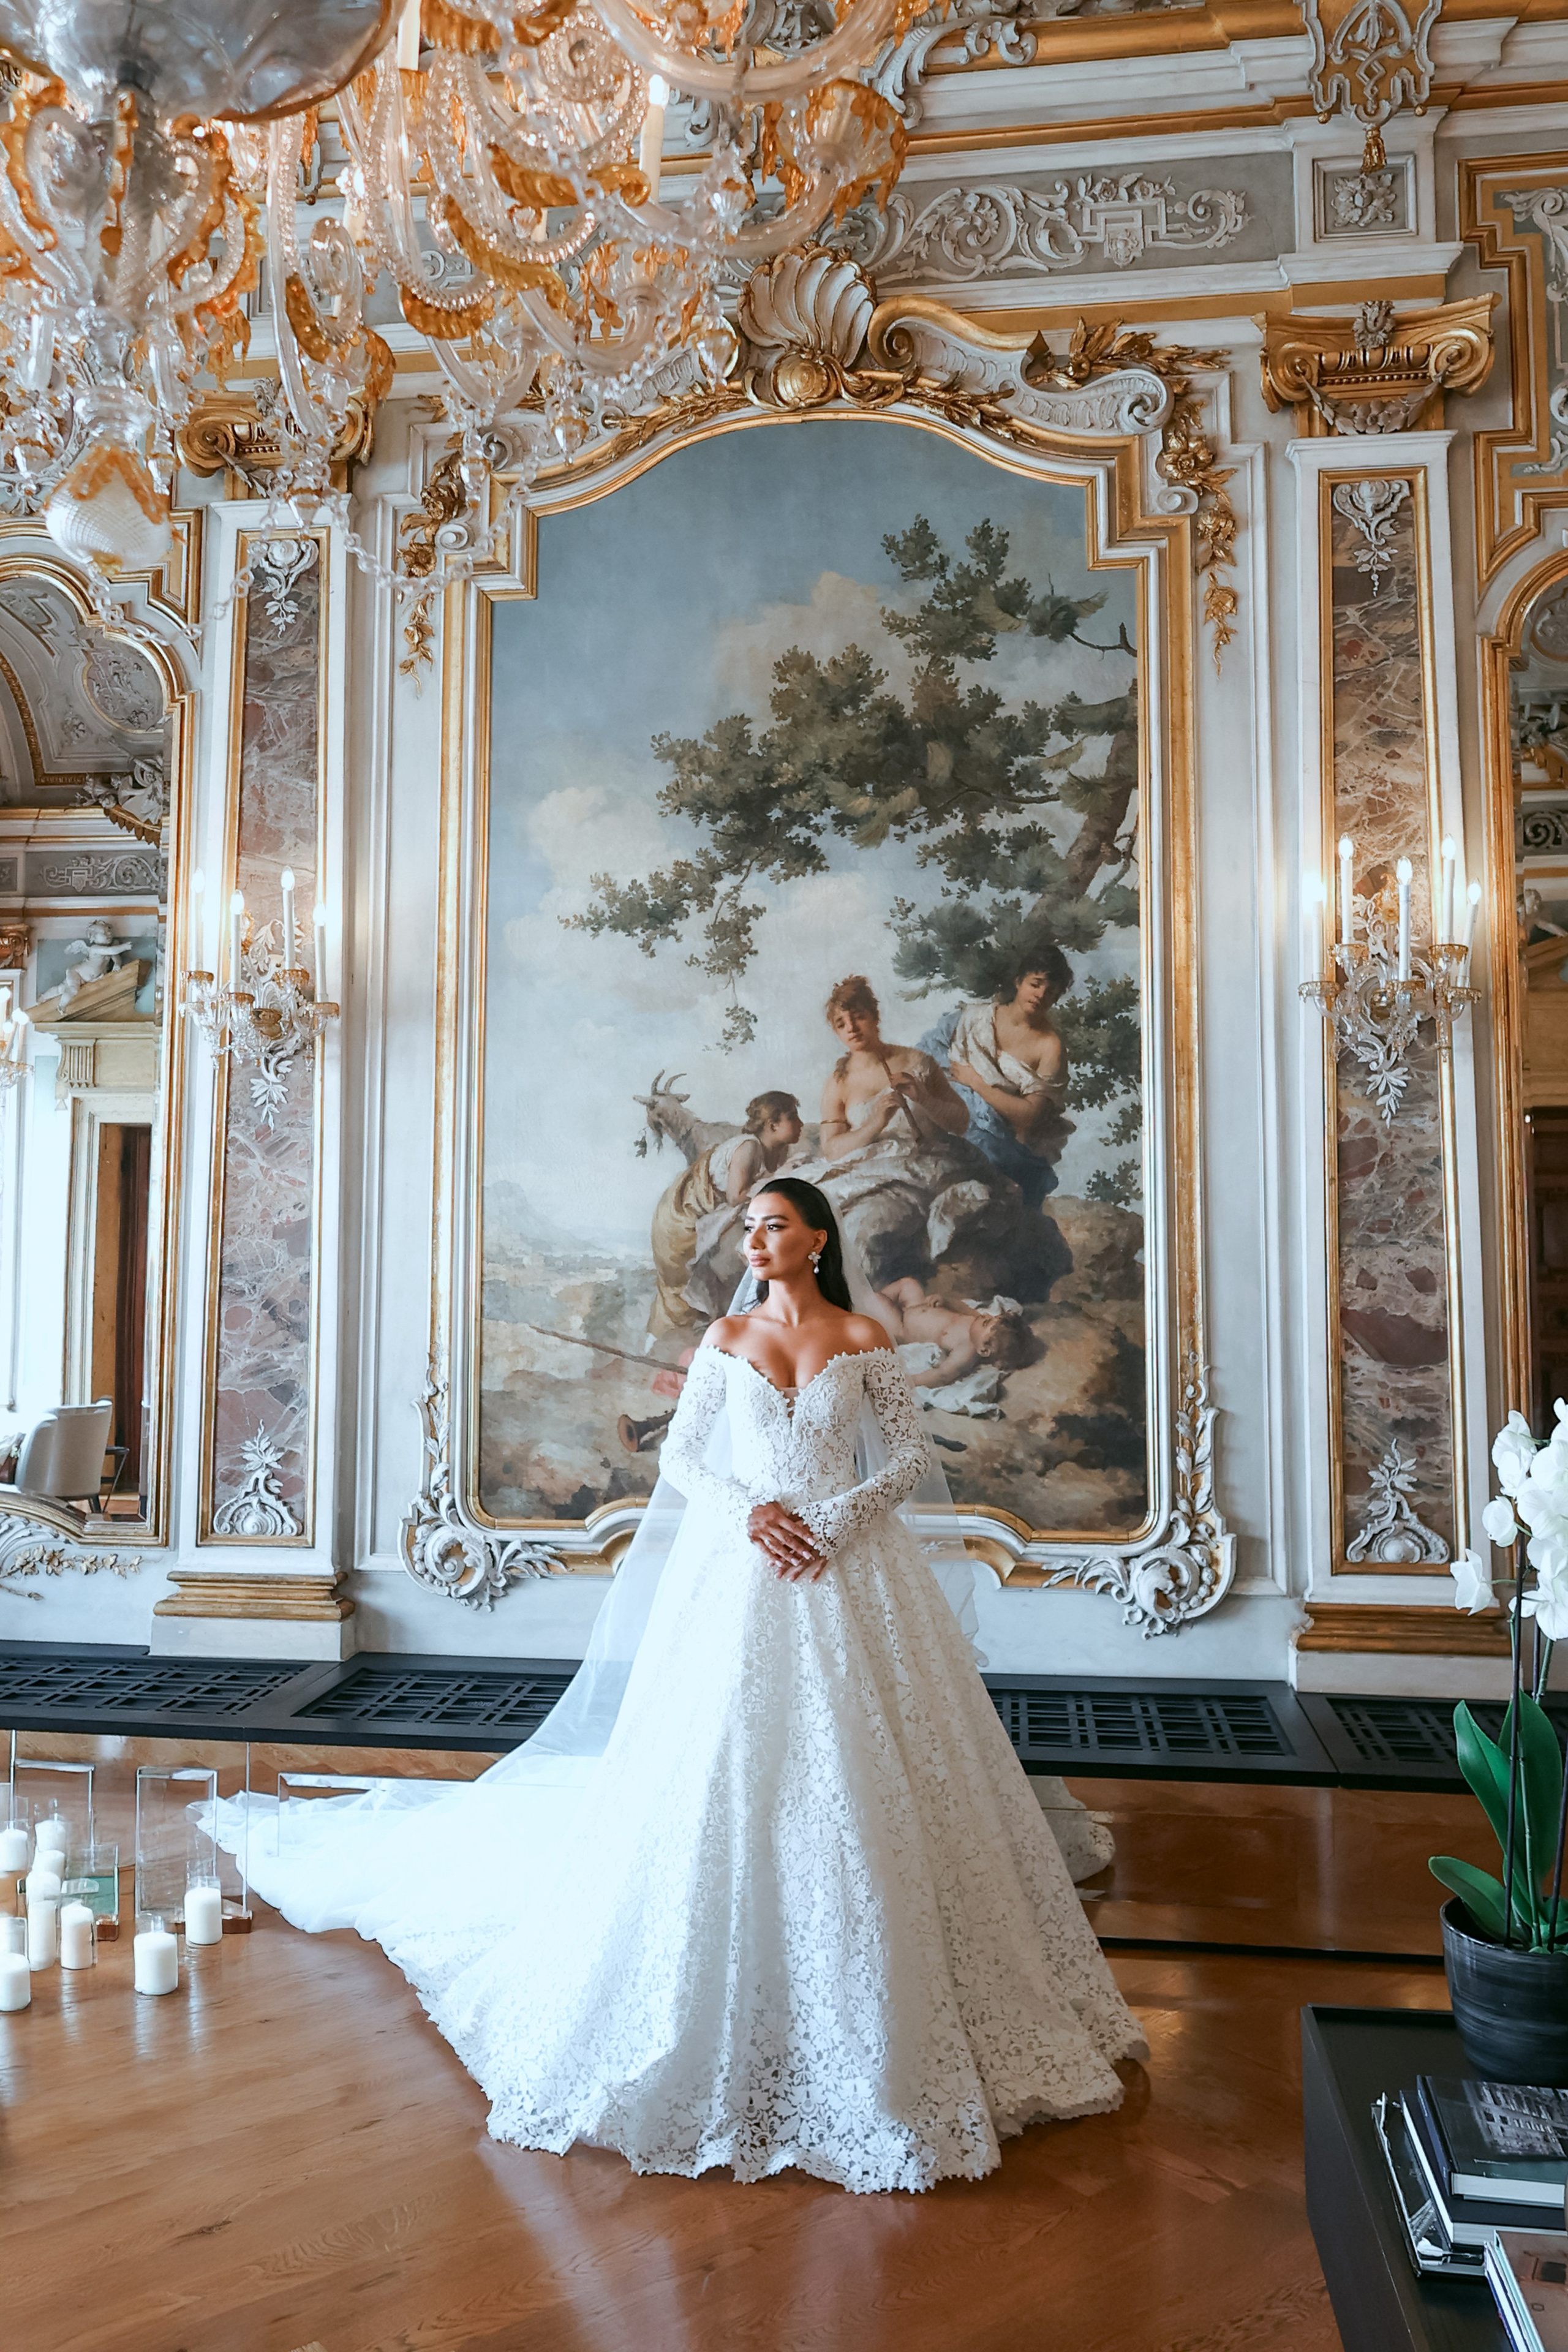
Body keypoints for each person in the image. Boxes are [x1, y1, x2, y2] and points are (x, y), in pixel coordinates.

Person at [213, 1180, 1144, 2195]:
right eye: (748, 1225)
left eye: (773, 1224)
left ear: (817, 1238)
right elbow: (690, 1464)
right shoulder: (725, 1334)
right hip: (743, 1572)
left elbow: (910, 1458)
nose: (755, 1237)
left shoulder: (864, 1333)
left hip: (848, 1570)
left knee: (873, 1771)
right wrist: (757, 1514)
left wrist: (829, 1522)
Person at [929, 947, 1077, 1210]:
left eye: (1051, 991)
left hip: (1000, 1137)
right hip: (950, 1108)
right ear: (1019, 982)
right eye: (1036, 984)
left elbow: (1029, 1115)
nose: (1041, 994)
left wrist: (976, 1083)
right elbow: (936, 1060)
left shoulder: (1050, 1047)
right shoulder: (976, 1018)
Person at [647, 1090, 803, 1336]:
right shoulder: (749, 1147)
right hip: (684, 1215)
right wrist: (780, 1177)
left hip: (712, 1208)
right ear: (773, 1125)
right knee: (685, 1287)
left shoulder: (778, 1151)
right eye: (793, 1118)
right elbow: (736, 1196)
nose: (801, 1124)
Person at [819, 973, 971, 1160]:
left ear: (875, 1017)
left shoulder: (918, 1062)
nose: (851, 1028)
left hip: (931, 1164)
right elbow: (832, 1151)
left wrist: (924, 1099)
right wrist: (875, 1124)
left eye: (859, 1017)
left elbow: (961, 1123)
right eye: (841, 1024)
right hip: (870, 1170)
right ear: (837, 1032)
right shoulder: (838, 1083)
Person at [877, 1275, 1034, 1389]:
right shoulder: (976, 1321)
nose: (985, 1315)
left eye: (986, 1322)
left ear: (984, 1349)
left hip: (903, 1328)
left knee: (877, 1299)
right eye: (991, 1317)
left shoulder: (967, 1350)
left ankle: (868, 1312)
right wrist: (945, 1301)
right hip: (916, 1306)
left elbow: (943, 1375)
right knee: (908, 1284)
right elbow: (963, 1308)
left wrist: (911, 1380)